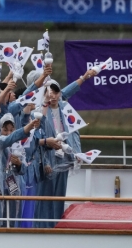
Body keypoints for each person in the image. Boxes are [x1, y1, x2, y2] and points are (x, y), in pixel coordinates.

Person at [34, 69, 98, 228]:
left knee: (59, 196)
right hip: (47, 160)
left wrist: (77, 153)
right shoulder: (40, 111)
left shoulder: (65, 107)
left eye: (56, 92)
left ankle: (56, 226)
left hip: (63, 159)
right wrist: (45, 162)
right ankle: (42, 227)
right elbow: (38, 137)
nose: (53, 95)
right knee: (44, 196)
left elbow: (74, 132)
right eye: (50, 92)